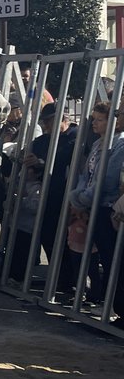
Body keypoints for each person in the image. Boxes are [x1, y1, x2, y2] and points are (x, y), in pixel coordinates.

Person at [14, 103, 80, 292]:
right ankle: (60, 279)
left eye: (50, 122)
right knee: (48, 236)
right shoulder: (43, 140)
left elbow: (63, 159)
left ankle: (69, 281)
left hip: (65, 196)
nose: (46, 126)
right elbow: (27, 153)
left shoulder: (73, 138)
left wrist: (41, 163)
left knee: (67, 241)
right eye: (45, 122)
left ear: (64, 120)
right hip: (44, 197)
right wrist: (24, 158)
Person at [68, 102, 124, 317]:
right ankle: (104, 299)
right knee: (85, 252)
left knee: (110, 259)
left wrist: (81, 200)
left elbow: (107, 181)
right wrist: (78, 198)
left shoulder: (119, 145)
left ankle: (112, 304)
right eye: (94, 118)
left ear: (113, 122)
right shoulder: (97, 144)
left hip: (106, 208)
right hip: (89, 205)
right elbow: (86, 175)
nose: (94, 123)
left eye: (99, 119)